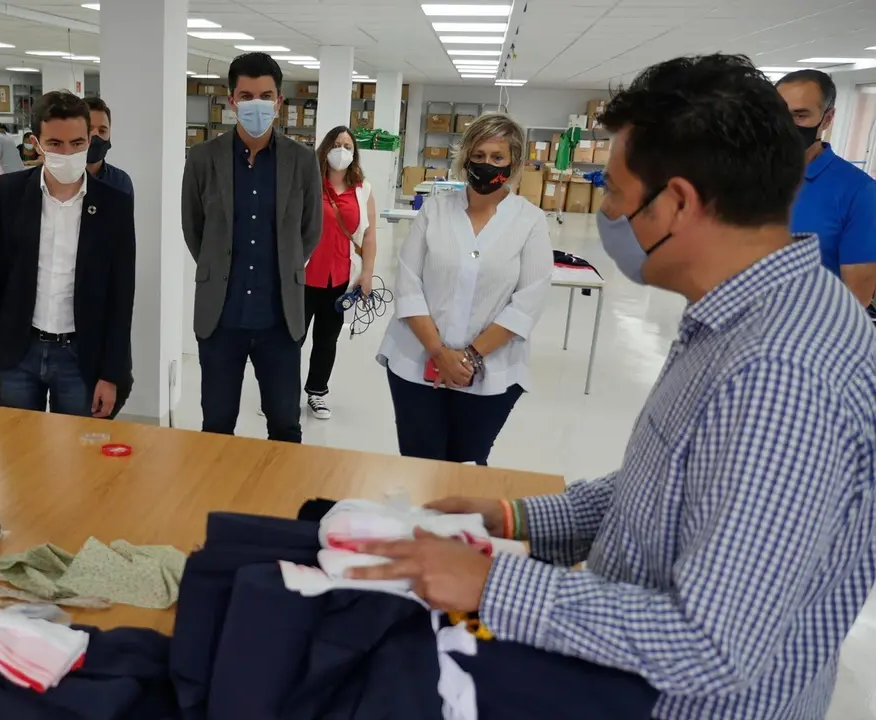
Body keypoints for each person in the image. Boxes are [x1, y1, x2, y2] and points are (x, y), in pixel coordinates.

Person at [352, 54, 876, 718]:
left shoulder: (781, 376)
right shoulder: (734, 321)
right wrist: (515, 517)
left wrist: (491, 583)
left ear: (677, 204)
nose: (604, 215)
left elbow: (709, 646)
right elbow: (659, 493)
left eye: (616, 195)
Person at [376, 113, 551, 464]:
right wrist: (440, 352)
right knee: (419, 462)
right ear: (466, 158)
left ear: (513, 163)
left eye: (498, 157)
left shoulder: (530, 220)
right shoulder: (435, 211)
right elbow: (408, 283)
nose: (487, 165)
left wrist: (469, 357)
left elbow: (528, 301)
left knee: (466, 465)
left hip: (490, 370)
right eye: (480, 155)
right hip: (417, 361)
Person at [181, 52, 323, 443]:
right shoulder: (203, 159)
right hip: (221, 319)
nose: (255, 104)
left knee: (284, 424)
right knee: (216, 425)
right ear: (231, 101)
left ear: (279, 102)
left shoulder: (302, 160)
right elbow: (194, 229)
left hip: (280, 320)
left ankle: (281, 503)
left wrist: (286, 265)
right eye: (246, 95)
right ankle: (216, 500)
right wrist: (218, 266)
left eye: (265, 95)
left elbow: (310, 230)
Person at [0, 90, 135, 417]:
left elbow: (121, 296)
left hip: (80, 356)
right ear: (36, 142)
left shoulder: (113, 204)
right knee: (18, 455)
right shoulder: (9, 194)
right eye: (55, 144)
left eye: (77, 143)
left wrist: (111, 373)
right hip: (18, 352)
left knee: (77, 457)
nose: (68, 152)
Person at [776, 69, 876, 307]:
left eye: (800, 116)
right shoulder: (743, 177)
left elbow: (855, 299)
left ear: (828, 119)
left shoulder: (860, 193)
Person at [301, 125, 375, 420]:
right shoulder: (309, 183)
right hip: (304, 275)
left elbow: (368, 236)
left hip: (339, 277)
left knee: (326, 339)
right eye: (336, 144)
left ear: (354, 152)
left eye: (347, 145)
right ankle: (277, 391)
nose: (341, 151)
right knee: (291, 338)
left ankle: (316, 393)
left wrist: (367, 272)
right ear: (325, 148)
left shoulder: (363, 189)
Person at [84, 97, 133, 198]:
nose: (95, 136)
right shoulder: (59, 180)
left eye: (102, 131)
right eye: (88, 129)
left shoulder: (121, 182)